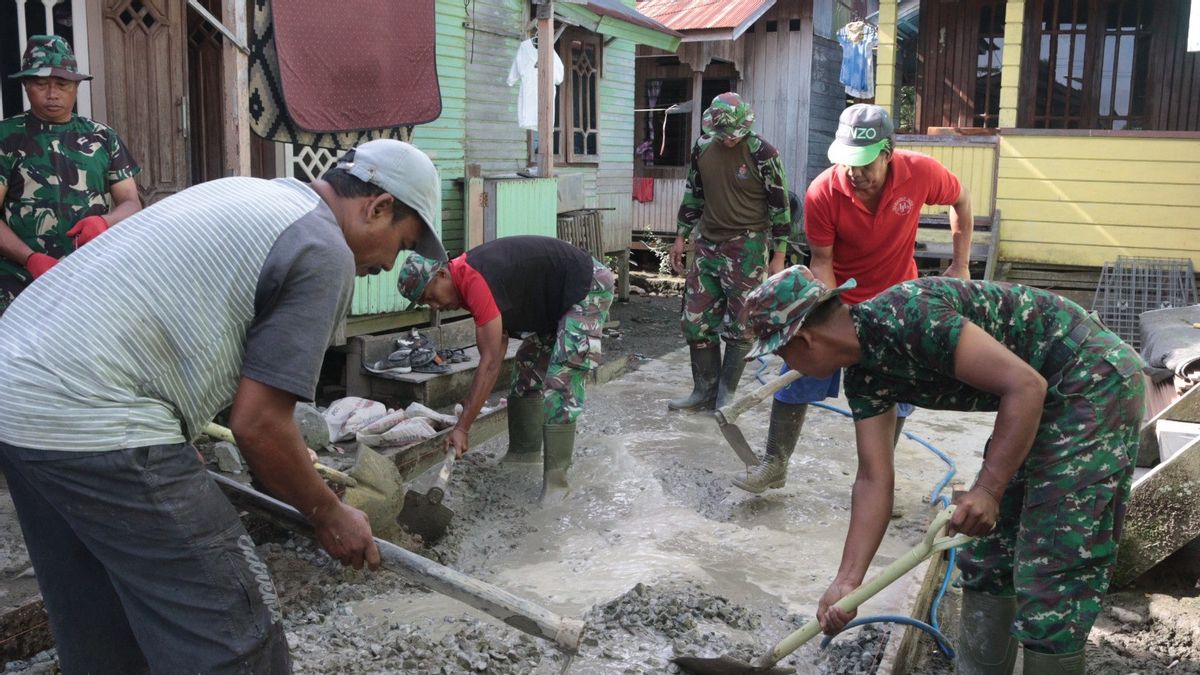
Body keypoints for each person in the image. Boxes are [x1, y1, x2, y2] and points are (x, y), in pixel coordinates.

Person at [0, 138, 447, 673]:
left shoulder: (250, 194)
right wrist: (327, 513)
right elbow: (259, 426)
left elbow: (166, 321)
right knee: (234, 631)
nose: (389, 264)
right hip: (93, 410)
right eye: (401, 243)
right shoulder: (323, 248)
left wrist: (175, 436)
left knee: (101, 617)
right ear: (377, 207)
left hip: (17, 392)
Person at [740, 266, 1144, 675]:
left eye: (779, 351)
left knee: (1054, 566)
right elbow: (873, 478)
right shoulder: (864, 376)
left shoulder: (909, 316)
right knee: (987, 553)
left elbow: (1025, 386)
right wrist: (848, 581)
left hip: (1089, 377)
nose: (782, 362)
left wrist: (987, 488)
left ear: (804, 339)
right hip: (1038, 396)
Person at [734, 103, 974, 494]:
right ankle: (775, 463)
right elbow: (822, 261)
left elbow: (961, 200)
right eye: (847, 162)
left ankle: (881, 484)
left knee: (894, 392)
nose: (855, 174)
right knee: (800, 371)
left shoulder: (921, 172)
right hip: (840, 296)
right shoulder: (823, 191)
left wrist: (960, 263)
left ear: (887, 152)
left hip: (899, 299)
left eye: (864, 164)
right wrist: (836, 317)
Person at [396, 235, 614, 504]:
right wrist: (470, 410)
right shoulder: (465, 282)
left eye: (431, 297)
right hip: (553, 302)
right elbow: (497, 345)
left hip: (587, 286)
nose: (436, 307)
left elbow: (490, 363)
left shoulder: (473, 279)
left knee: (562, 378)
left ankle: (557, 483)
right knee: (527, 367)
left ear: (441, 274)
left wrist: (463, 428)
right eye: (426, 305)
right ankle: (524, 454)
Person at [667, 92, 791, 412]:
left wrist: (778, 255)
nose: (729, 141)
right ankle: (703, 392)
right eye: (724, 136)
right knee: (695, 321)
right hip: (708, 243)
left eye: (734, 135)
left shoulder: (763, 153)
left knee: (741, 324)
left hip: (747, 245)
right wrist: (681, 236)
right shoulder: (703, 148)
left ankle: (725, 397)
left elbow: (780, 207)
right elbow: (694, 194)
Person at [0, 35, 142, 314]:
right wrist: (29, 258)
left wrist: (104, 221)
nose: (52, 93)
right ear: (27, 85)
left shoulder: (102, 137)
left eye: (62, 84)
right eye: (41, 83)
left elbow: (131, 203)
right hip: (18, 280)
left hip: (91, 275)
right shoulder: (6, 137)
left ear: (76, 86)